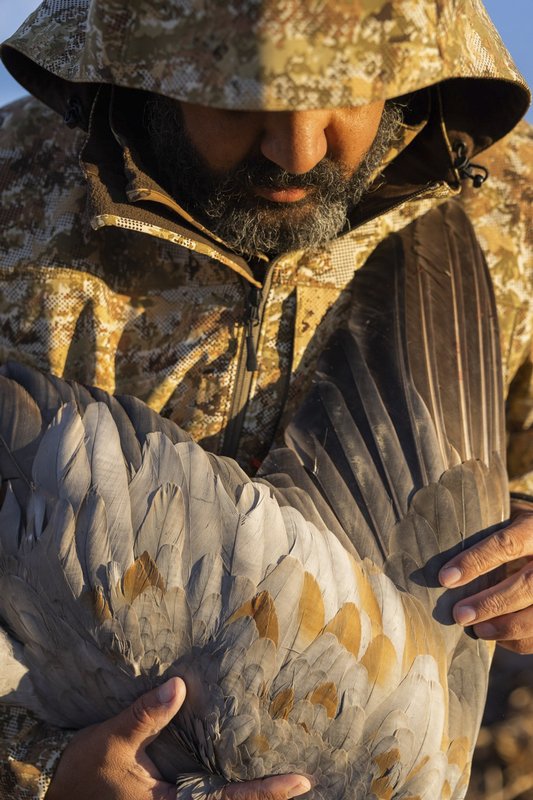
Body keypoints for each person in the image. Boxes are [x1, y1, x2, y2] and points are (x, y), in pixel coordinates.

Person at [0, 0, 531, 798]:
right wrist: (42, 775)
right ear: (145, 62)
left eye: (352, 90)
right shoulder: (16, 200)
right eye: (243, 97)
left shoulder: (511, 210)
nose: (297, 148)